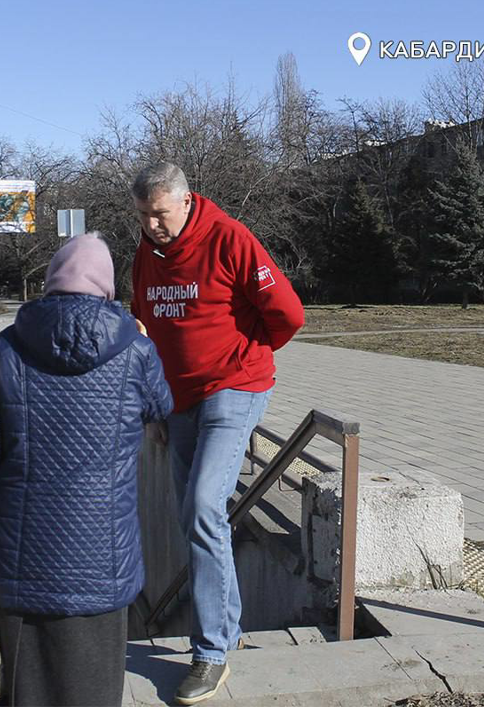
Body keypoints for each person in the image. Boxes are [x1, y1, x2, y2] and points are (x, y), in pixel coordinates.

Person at [0, 233, 174, 707]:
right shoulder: (134, 348)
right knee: (93, 688)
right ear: (107, 287)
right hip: (103, 557)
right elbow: (162, 405)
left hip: (20, 556)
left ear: (51, 281)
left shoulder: (5, 348)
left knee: (24, 687)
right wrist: (146, 343)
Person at [130, 162, 305, 705]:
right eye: (143, 216)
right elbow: (144, 326)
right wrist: (154, 408)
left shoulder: (231, 239)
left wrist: (245, 359)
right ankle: (227, 630)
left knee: (205, 505)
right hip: (178, 401)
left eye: (159, 214)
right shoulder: (145, 255)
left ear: (185, 202)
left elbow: (289, 316)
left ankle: (209, 653)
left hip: (233, 389)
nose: (153, 225)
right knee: (194, 516)